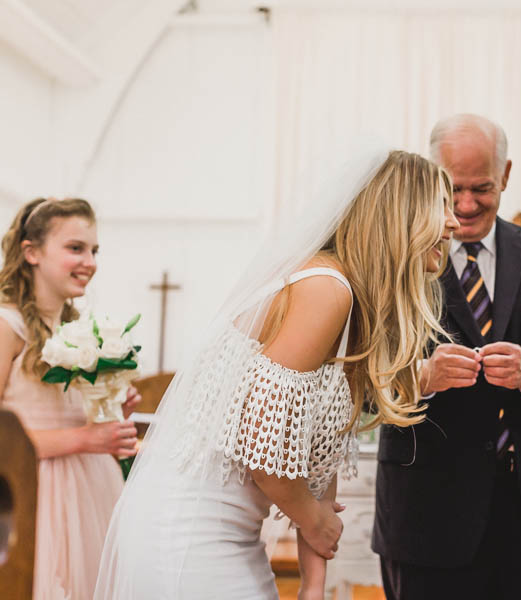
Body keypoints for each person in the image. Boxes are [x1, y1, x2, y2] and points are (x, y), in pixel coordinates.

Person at [94, 148, 459, 600]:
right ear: (399, 214)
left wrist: (313, 584)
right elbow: (261, 442)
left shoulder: (351, 304)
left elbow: (321, 457)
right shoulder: (326, 289)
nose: (453, 223)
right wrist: (314, 519)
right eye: (440, 206)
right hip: (188, 533)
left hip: (233, 535)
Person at [372, 114, 521, 600]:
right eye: (453, 189)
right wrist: (421, 376)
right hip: (428, 515)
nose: (466, 204)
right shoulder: (396, 258)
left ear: (506, 175)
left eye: (482, 188)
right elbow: (361, 380)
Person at [0, 197, 141, 600]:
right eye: (76, 248)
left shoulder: (76, 330)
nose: (90, 262)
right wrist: (86, 438)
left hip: (87, 490)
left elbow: (67, 411)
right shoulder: (7, 326)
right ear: (32, 252)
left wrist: (110, 407)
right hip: (32, 494)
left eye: (94, 250)